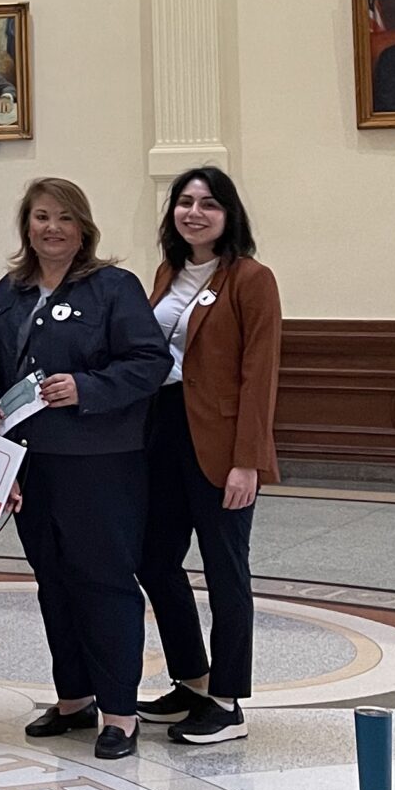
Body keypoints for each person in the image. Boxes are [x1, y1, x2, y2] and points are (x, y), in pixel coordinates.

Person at [0, 177, 173, 761]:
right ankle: (73, 698)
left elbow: (151, 361)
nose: (52, 228)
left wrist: (85, 387)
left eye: (64, 218)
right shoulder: (9, 290)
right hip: (27, 463)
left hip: (99, 465)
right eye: (41, 217)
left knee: (104, 581)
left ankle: (119, 711)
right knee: (53, 581)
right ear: (26, 226)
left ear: (83, 227)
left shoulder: (113, 287)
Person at [134, 166, 280, 746]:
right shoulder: (167, 272)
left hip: (221, 445)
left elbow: (259, 374)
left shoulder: (251, 278)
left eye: (208, 204)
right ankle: (192, 680)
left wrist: (248, 460)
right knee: (154, 560)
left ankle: (227, 700)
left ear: (228, 215)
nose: (194, 212)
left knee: (225, 571)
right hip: (161, 435)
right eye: (185, 202)